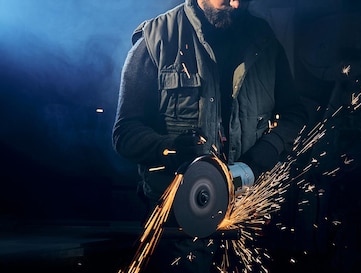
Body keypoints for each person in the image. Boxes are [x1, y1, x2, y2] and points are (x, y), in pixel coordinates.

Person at [112, 0, 311, 272]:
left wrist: (260, 157)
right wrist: (171, 148)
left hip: (246, 214)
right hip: (178, 225)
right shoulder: (156, 39)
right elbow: (125, 133)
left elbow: (295, 114)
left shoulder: (263, 39)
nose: (236, 3)